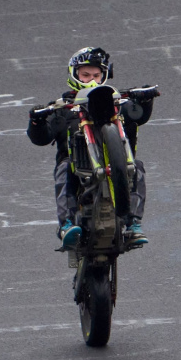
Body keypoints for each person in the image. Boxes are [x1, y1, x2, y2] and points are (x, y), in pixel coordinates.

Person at [27, 47, 157, 249]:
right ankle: (66, 225)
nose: (92, 79)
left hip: (117, 169)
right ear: (74, 74)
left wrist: (145, 99)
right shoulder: (62, 109)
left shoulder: (117, 103)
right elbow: (41, 138)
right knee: (65, 168)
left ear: (105, 75)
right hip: (78, 172)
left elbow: (138, 115)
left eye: (96, 75)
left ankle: (133, 224)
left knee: (137, 166)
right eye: (85, 75)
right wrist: (37, 120)